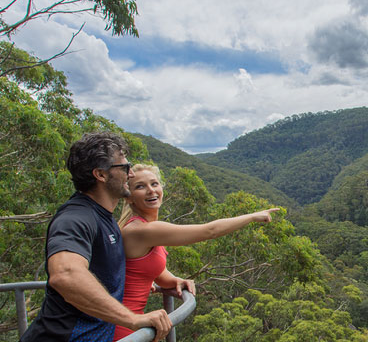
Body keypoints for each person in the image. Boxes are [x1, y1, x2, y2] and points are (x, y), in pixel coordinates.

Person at [20, 133, 172, 342]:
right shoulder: (75, 217)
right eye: (125, 167)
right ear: (101, 175)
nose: (130, 175)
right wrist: (131, 319)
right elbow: (65, 274)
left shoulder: (105, 218)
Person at [113, 164, 279, 340]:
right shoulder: (141, 231)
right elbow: (210, 231)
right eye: (140, 186)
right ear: (129, 197)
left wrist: (175, 280)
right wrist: (253, 216)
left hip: (131, 325)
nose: (150, 190)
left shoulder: (144, 228)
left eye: (154, 184)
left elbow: (148, 270)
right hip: (123, 329)